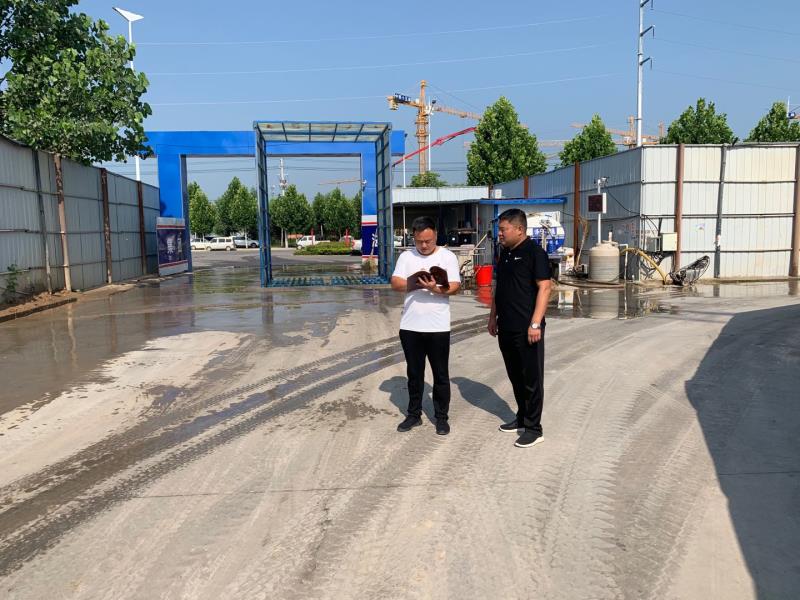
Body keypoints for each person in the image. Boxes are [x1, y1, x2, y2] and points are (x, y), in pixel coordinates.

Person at [488, 209, 553, 448]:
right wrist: (493, 317)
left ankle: (534, 428)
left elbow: (545, 288)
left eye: (503, 229)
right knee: (515, 376)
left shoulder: (535, 253)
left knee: (531, 379)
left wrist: (535, 323)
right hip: (506, 326)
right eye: (499, 230)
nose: (500, 234)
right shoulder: (504, 253)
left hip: (527, 329)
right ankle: (522, 418)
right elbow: (499, 288)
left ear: (519, 229)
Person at [390, 216, 461, 435]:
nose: (423, 245)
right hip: (410, 327)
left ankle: (441, 417)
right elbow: (395, 283)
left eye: (428, 241)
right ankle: (414, 414)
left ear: (436, 235)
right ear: (414, 237)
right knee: (414, 374)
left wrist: (433, 288)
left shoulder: (447, 257)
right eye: (419, 241)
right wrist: (416, 283)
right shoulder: (406, 256)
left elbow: (455, 286)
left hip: (438, 327)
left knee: (440, 375)